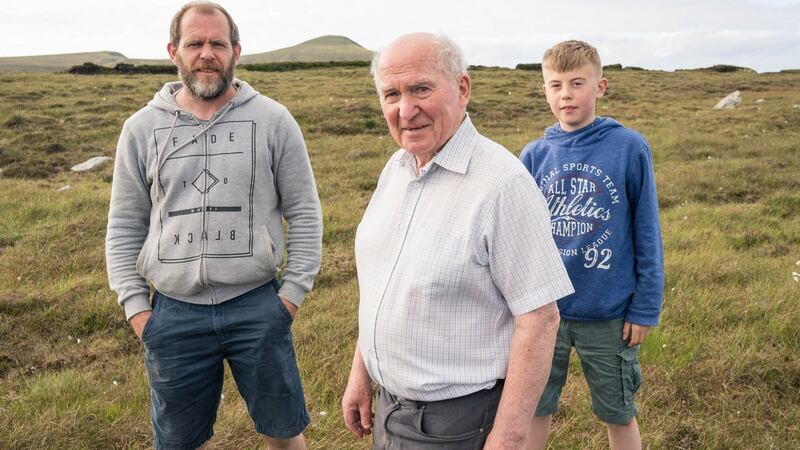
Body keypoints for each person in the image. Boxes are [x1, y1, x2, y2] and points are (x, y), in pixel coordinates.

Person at [341, 33, 575, 449]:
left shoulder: (503, 185)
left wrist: (508, 436)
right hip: (389, 407)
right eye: (390, 94)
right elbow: (384, 280)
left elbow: (540, 319)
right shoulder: (396, 169)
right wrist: (362, 372)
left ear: (462, 89)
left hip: (459, 423)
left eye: (420, 89)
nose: (405, 109)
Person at [104, 2, 322, 449]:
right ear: (174, 51)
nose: (207, 53)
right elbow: (124, 224)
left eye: (218, 43)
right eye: (195, 43)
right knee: (181, 441)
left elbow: (304, 211)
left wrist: (290, 298)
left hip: (257, 305)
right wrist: (137, 310)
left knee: (284, 432)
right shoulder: (141, 128)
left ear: (236, 51)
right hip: (172, 312)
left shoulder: (273, 120)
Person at [519, 40, 664, 450]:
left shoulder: (629, 148)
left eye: (577, 83)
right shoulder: (533, 156)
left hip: (609, 312)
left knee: (618, 409)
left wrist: (645, 306)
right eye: (555, 85)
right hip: (545, 311)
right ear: (545, 90)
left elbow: (647, 231)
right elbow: (520, 239)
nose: (565, 94)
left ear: (600, 86)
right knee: (533, 405)